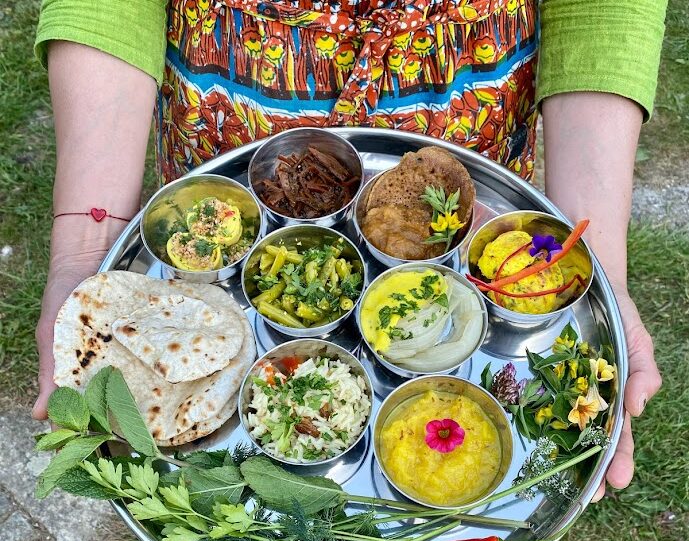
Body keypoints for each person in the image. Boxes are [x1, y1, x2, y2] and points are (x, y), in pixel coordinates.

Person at [33, 0, 665, 500]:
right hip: (237, 140)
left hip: (464, 113)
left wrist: (598, 267)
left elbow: (604, 8)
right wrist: (84, 251)